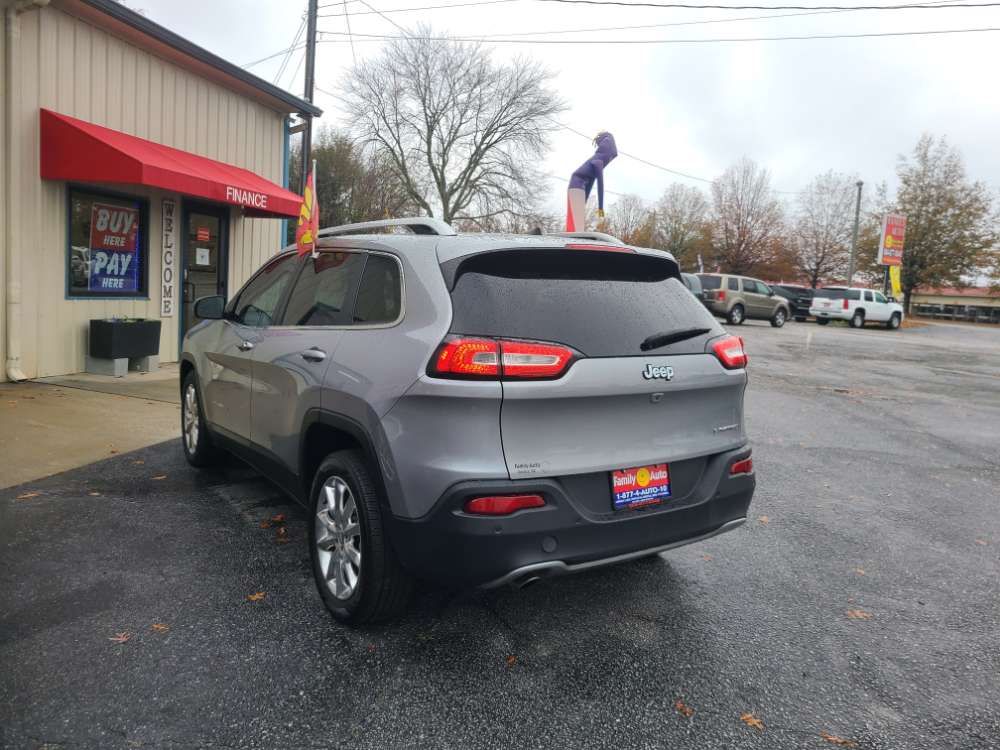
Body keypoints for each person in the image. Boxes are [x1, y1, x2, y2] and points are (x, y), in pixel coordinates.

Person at [566, 131, 617, 231]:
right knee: (575, 228)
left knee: (576, 226)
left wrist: (584, 200)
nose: (610, 160)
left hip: (579, 186)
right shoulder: (598, 161)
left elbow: (590, 183)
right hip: (576, 185)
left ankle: (573, 240)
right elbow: (600, 184)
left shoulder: (597, 161)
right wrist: (601, 208)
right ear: (608, 152)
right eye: (610, 157)